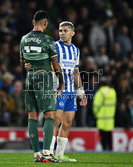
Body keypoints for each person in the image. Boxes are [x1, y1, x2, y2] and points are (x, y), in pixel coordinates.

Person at [20, 10, 64, 163]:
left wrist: (27, 65)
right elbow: (56, 64)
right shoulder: (47, 40)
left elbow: (22, 63)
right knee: (49, 115)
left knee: (32, 115)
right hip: (43, 77)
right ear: (45, 23)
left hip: (29, 77)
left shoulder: (24, 39)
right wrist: (61, 81)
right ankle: (46, 153)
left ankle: (36, 154)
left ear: (33, 23)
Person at [49, 21, 87, 162]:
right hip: (57, 90)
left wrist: (81, 92)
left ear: (72, 33)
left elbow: (76, 72)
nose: (62, 33)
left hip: (71, 91)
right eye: (60, 30)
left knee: (68, 122)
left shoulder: (76, 50)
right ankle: (48, 153)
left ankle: (59, 155)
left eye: (65, 31)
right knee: (55, 121)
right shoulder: (54, 46)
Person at [93, 77, 117, 150]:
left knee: (103, 139)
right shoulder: (113, 92)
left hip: (101, 120)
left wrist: (95, 115)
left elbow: (95, 107)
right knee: (109, 139)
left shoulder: (100, 93)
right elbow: (115, 104)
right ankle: (111, 152)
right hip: (110, 120)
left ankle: (105, 151)